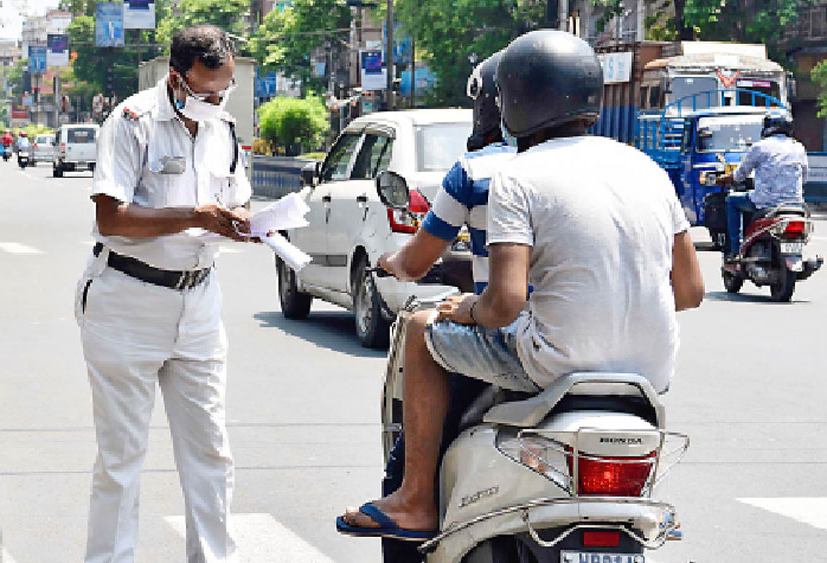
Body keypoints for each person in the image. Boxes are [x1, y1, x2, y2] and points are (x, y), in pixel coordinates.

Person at [338, 29, 705, 541]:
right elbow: (689, 292)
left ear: (512, 100)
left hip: (552, 363)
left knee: (421, 332)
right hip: (650, 371)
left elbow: (506, 303)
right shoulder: (646, 168)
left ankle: (417, 500)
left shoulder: (520, 175)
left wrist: (461, 310)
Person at [76, 24, 254, 563]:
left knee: (211, 452)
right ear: (176, 78)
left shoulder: (223, 127)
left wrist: (250, 222)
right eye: (205, 92)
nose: (216, 101)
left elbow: (235, 201)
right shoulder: (131, 122)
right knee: (122, 458)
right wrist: (194, 216)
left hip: (199, 302)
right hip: (127, 299)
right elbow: (111, 216)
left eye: (224, 91)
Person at [354, 52, 516, 560]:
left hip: (525, 341)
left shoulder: (479, 171)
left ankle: (415, 498)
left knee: (424, 327)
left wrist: (392, 262)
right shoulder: (616, 167)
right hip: (626, 357)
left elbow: (417, 264)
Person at [717, 108, 808, 262]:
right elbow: (804, 177)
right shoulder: (798, 147)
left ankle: (735, 249)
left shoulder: (760, 147)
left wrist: (724, 178)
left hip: (765, 202)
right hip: (795, 205)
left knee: (732, 200)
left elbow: (739, 175)